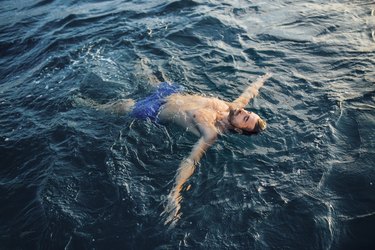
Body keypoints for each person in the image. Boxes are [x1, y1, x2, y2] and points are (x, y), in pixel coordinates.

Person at [75, 72, 272, 225]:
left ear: (238, 129)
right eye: (248, 112)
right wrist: (263, 79)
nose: (243, 111)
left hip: (154, 110)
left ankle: (82, 104)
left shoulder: (210, 132)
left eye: (245, 117)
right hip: (170, 92)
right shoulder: (232, 108)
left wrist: (175, 192)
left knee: (122, 106)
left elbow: (192, 160)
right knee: (143, 70)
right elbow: (249, 93)